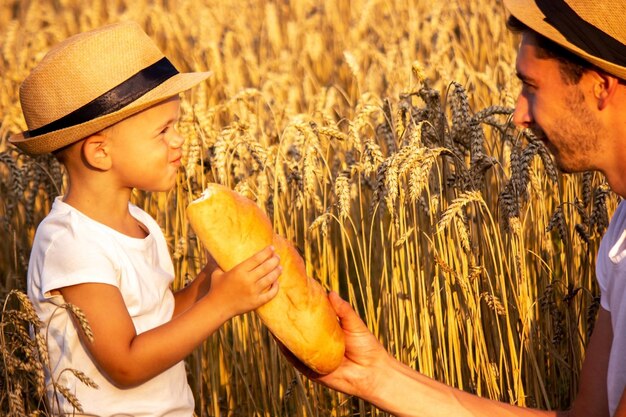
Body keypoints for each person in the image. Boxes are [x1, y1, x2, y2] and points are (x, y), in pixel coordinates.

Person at [293, 1, 626, 416]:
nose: (519, 115)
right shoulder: (620, 230)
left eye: (532, 87)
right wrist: (374, 375)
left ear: (601, 86)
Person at [9, 22, 282, 416]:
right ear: (100, 153)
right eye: (163, 131)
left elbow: (161, 315)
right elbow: (126, 363)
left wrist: (210, 280)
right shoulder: (71, 243)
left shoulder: (140, 223)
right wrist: (221, 305)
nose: (179, 141)